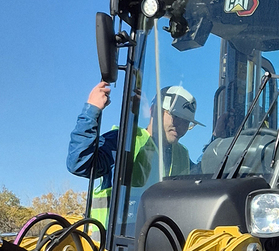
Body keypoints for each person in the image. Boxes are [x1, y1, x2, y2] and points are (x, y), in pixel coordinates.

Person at [67, 82, 201, 222]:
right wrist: (92, 110)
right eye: (176, 117)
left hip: (153, 240)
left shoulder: (182, 155)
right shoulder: (125, 141)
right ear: (153, 110)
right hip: (109, 240)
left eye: (186, 122)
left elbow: (208, 181)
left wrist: (218, 138)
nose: (180, 126)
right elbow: (79, 163)